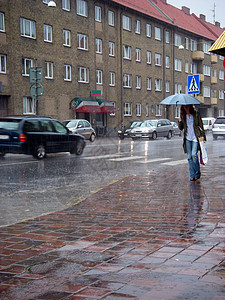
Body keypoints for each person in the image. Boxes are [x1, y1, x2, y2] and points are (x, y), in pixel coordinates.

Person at [178, 105, 206, 182]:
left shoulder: (196, 114)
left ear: (190, 107)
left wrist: (203, 137)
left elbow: (201, 125)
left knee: (194, 155)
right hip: (187, 138)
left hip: (195, 138)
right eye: (184, 107)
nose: (186, 108)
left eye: (187, 107)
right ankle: (192, 175)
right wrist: (180, 122)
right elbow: (181, 128)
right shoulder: (183, 116)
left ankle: (197, 173)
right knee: (189, 157)